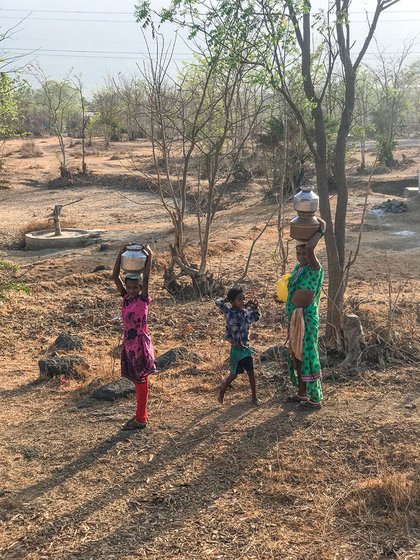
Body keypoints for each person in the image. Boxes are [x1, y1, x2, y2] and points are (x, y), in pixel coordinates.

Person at [112, 244, 156, 430]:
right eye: (128, 287)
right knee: (138, 380)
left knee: (141, 380)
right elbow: (114, 277)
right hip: (129, 344)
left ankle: (141, 418)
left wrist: (149, 256)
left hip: (139, 344)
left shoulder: (142, 300)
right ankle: (140, 416)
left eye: (134, 287)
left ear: (139, 288)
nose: (130, 290)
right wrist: (120, 253)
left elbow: (146, 277)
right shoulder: (126, 299)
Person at [285, 219, 325, 409]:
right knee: (297, 355)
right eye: (298, 253)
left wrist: (320, 231)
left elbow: (310, 249)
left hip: (307, 318)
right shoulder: (298, 268)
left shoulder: (315, 267)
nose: (302, 255)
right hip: (295, 317)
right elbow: (294, 290)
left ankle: (315, 398)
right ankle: (301, 393)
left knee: (309, 354)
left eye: (304, 253)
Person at [215, 287, 261, 406]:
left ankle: (254, 397)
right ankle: (222, 392)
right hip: (236, 349)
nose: (242, 302)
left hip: (246, 348)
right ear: (232, 301)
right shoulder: (229, 313)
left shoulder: (246, 313)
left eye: (243, 299)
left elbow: (257, 317)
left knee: (251, 372)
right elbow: (218, 302)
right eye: (239, 299)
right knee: (233, 375)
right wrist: (227, 298)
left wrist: (255, 307)